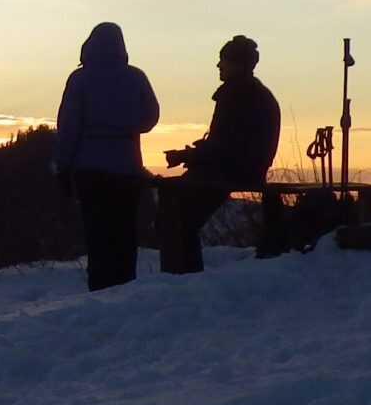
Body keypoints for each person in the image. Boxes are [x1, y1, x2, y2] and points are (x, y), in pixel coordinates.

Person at [155, 35, 282, 274]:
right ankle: (184, 272)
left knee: (175, 212)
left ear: (237, 64)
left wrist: (188, 156)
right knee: (182, 211)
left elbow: (224, 147)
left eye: (222, 60)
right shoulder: (256, 93)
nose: (218, 66)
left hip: (231, 171)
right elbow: (228, 142)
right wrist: (195, 154)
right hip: (246, 168)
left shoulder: (236, 94)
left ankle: (181, 275)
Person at [54, 21, 160, 290]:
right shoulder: (135, 77)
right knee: (125, 232)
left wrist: (63, 166)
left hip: (90, 170)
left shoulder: (79, 79)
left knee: (97, 232)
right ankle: (125, 286)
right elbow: (151, 117)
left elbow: (68, 126)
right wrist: (127, 125)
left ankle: (99, 287)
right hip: (127, 169)